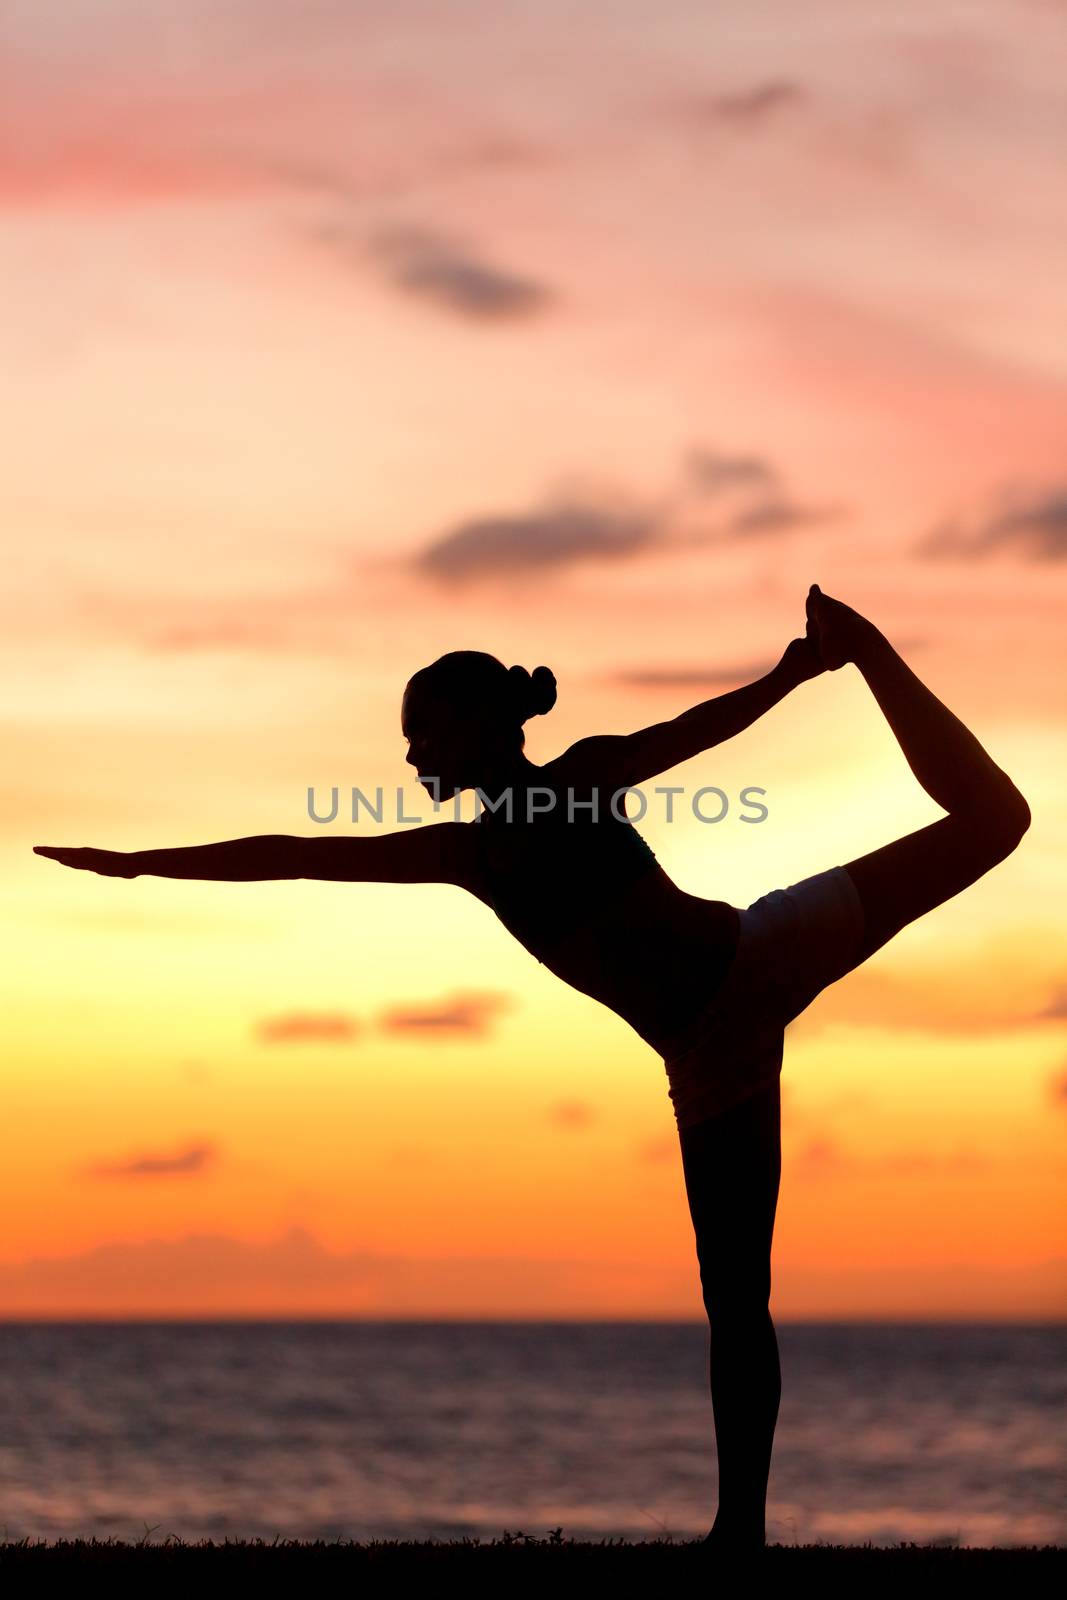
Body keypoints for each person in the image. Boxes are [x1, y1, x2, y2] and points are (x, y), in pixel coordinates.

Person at [33, 585, 1031, 1554]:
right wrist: (138, 864)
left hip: (758, 952)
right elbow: (298, 853)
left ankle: (870, 651)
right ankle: (740, 1532)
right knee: (733, 1299)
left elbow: (699, 730)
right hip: (704, 1055)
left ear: (475, 725)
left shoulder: (577, 781)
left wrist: (797, 671)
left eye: (422, 728)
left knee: (994, 818)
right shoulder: (467, 853)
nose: (411, 751)